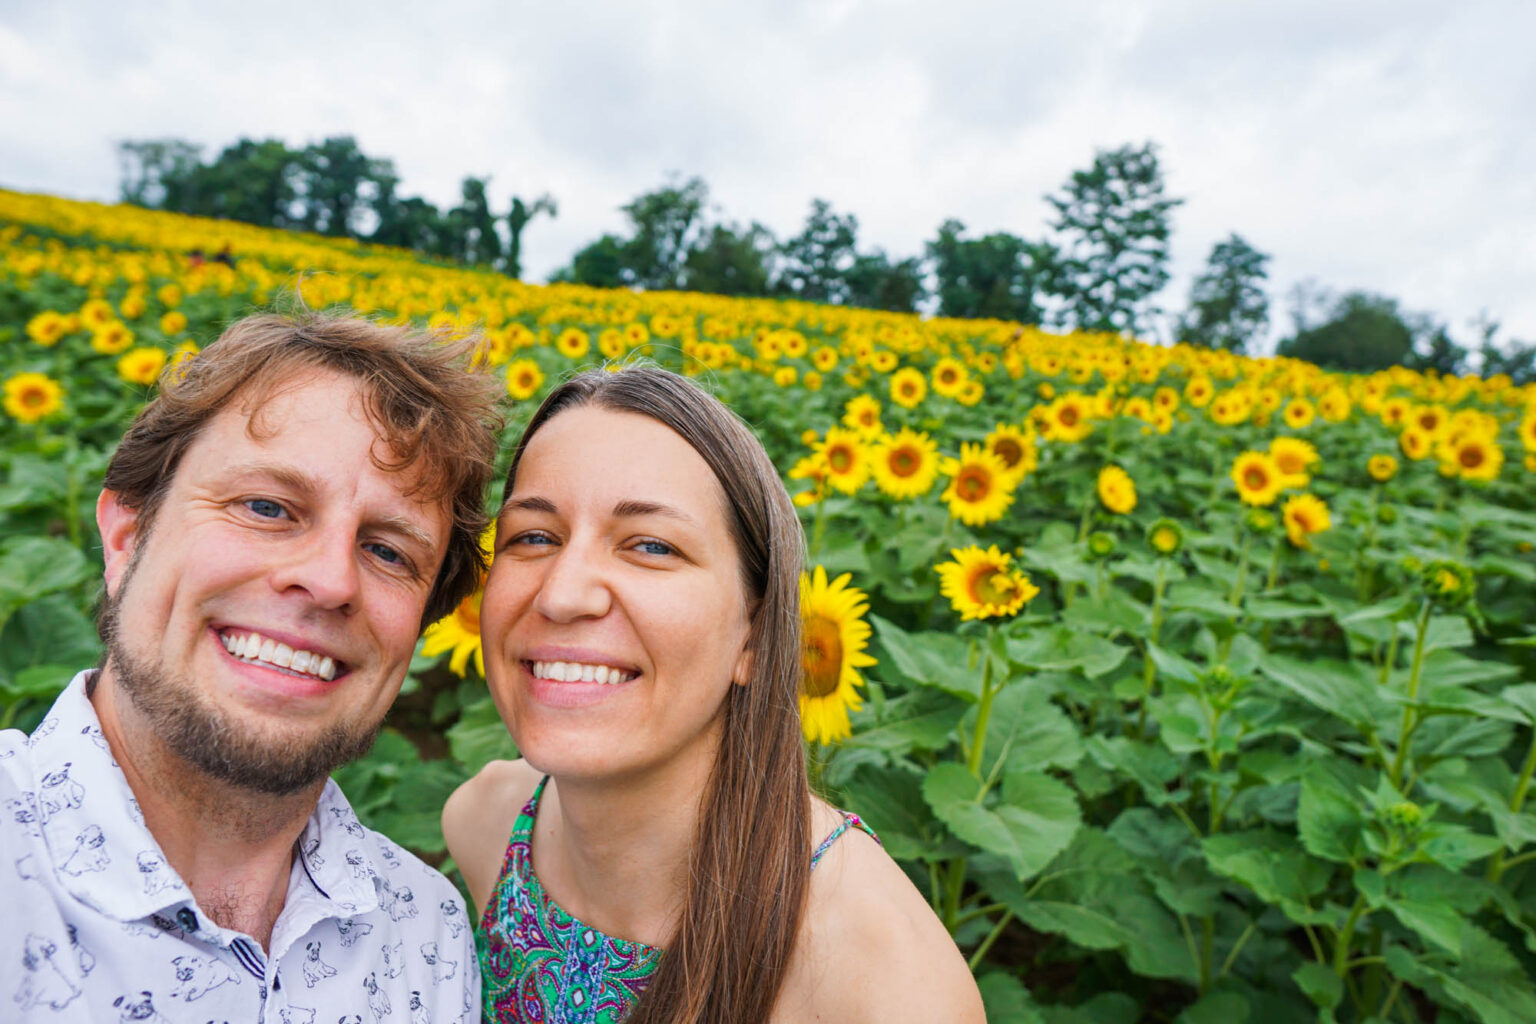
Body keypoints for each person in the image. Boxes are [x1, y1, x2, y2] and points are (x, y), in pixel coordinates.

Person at [1, 311, 501, 1021]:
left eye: (389, 552)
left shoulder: (429, 931)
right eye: (267, 507)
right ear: (126, 536)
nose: (330, 581)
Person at [444, 367, 983, 1023]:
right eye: (533, 537)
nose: (561, 594)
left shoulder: (884, 984)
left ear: (754, 634)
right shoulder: (484, 825)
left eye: (651, 546)